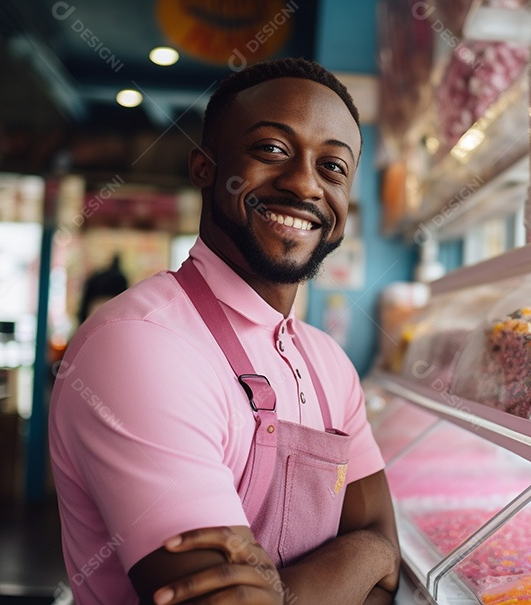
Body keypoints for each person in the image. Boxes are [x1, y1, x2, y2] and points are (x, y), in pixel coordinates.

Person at [49, 58, 400, 605]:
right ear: (205, 167)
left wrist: (372, 553)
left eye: (333, 167)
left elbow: (387, 556)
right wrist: (364, 557)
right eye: (272, 149)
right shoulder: (140, 344)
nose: (305, 183)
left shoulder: (329, 363)